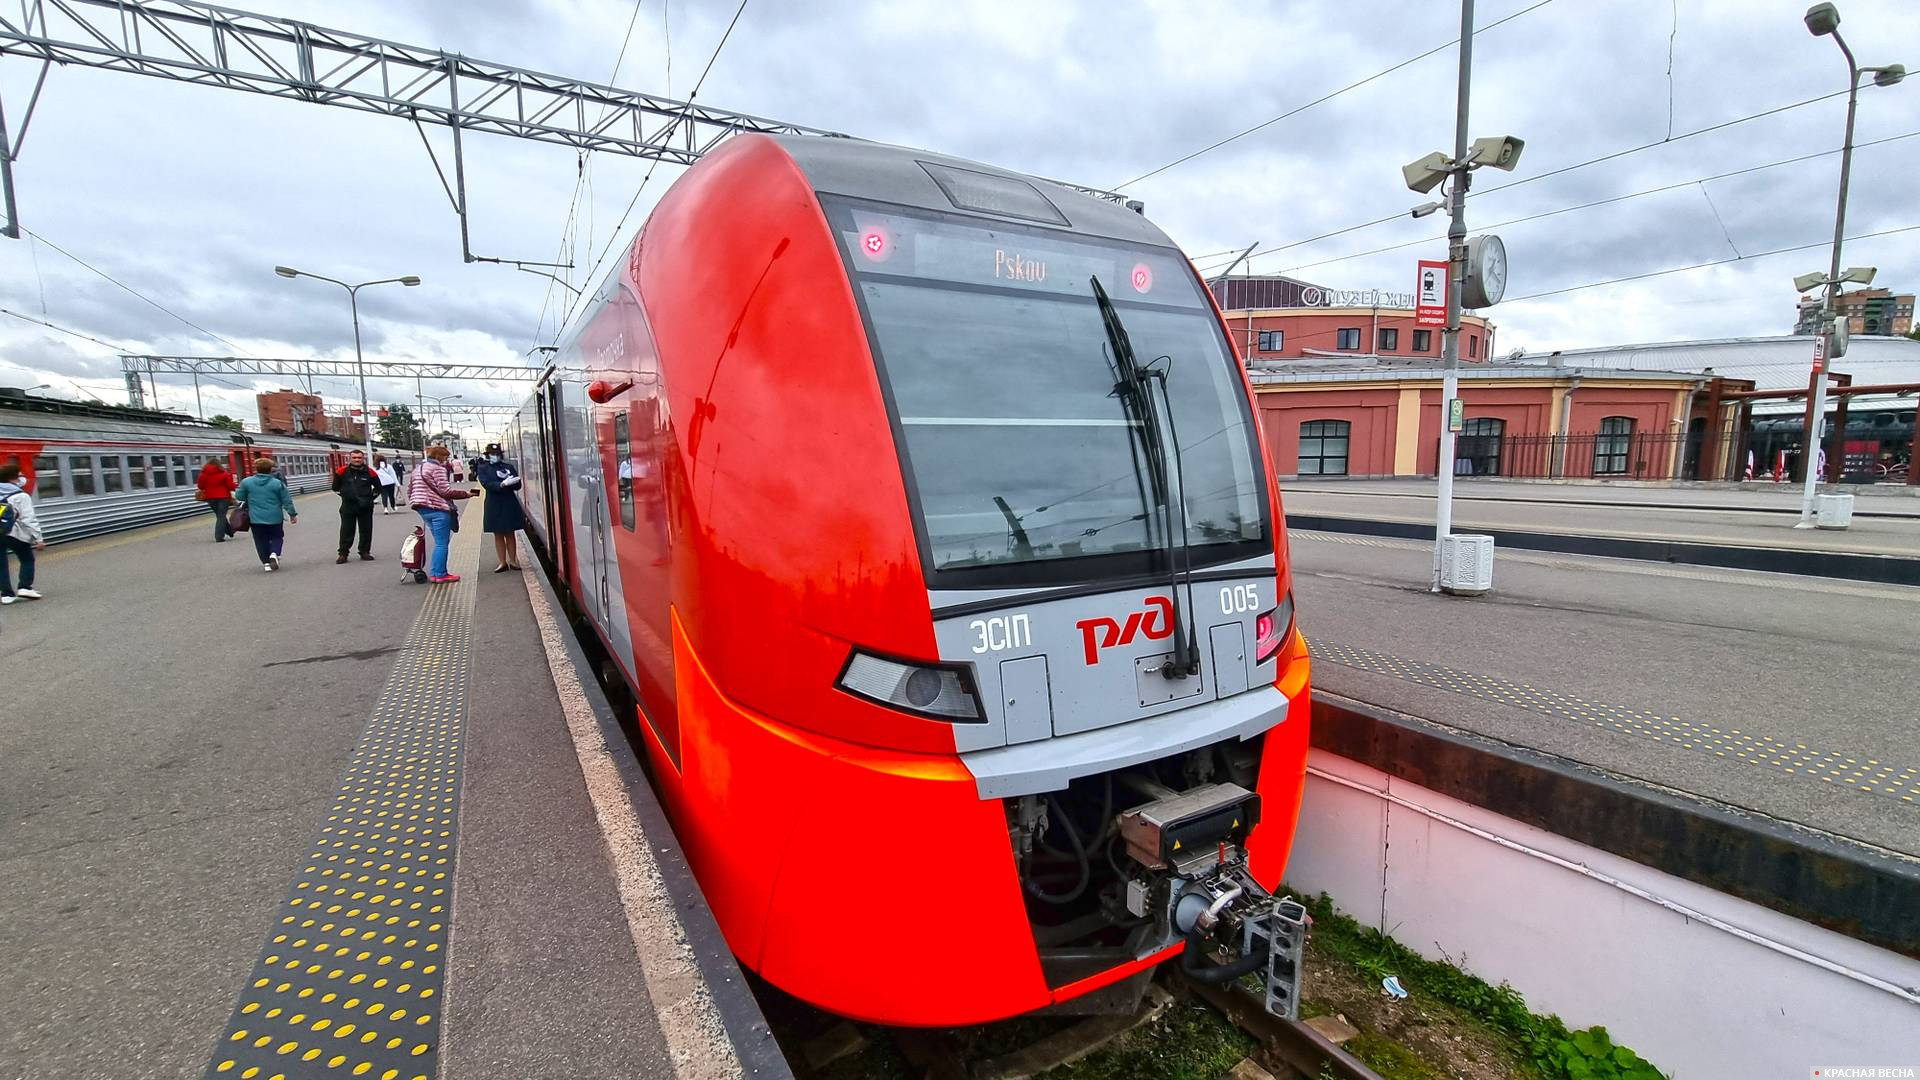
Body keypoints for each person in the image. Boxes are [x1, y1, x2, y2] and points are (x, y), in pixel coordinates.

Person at [408, 444, 473, 583]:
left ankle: (435, 573)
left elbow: (410, 490)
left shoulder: (417, 469)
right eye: (445, 457)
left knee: (439, 542)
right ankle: (440, 574)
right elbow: (445, 491)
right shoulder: (437, 469)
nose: (446, 460)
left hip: (422, 508)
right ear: (439, 456)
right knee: (442, 543)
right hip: (437, 508)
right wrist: (466, 494)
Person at [234, 457, 297, 572]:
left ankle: (266, 563)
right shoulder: (277, 483)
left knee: (260, 540)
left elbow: (239, 497)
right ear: (270, 469)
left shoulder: (247, 482)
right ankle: (274, 553)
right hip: (275, 517)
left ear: (256, 469)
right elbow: (286, 500)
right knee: (277, 537)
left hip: (255, 518)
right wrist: (292, 514)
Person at [475, 443, 527, 573]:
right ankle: (502, 562)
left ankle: (513, 561)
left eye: (497, 454)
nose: (495, 456)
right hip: (494, 503)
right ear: (488, 455)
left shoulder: (508, 467)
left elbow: (517, 484)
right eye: (492, 454)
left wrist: (512, 482)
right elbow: (486, 483)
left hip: (509, 502)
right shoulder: (483, 468)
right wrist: (501, 484)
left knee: (510, 532)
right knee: (498, 533)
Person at [0, 462, 46, 604]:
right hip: (14, 533)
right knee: (27, 559)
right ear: (14, 478)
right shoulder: (21, 495)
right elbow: (28, 519)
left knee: (1, 564)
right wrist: (38, 538)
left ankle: (6, 595)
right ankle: (25, 587)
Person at [331, 450, 382, 564]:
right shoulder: (341, 472)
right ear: (350, 458)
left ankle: (364, 552)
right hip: (348, 507)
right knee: (346, 530)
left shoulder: (370, 472)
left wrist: (369, 499)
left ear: (363, 459)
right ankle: (343, 553)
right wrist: (345, 496)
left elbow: (378, 488)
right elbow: (335, 487)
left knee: (366, 530)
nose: (357, 460)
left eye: (359, 457)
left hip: (365, 507)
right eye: (354, 457)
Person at [197, 458, 239, 543]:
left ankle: (230, 531)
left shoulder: (203, 474)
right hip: (223, 497)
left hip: (210, 498)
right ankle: (219, 536)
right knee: (221, 516)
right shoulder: (224, 473)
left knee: (220, 516)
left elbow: (200, 486)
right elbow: (230, 486)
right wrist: (236, 487)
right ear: (218, 465)